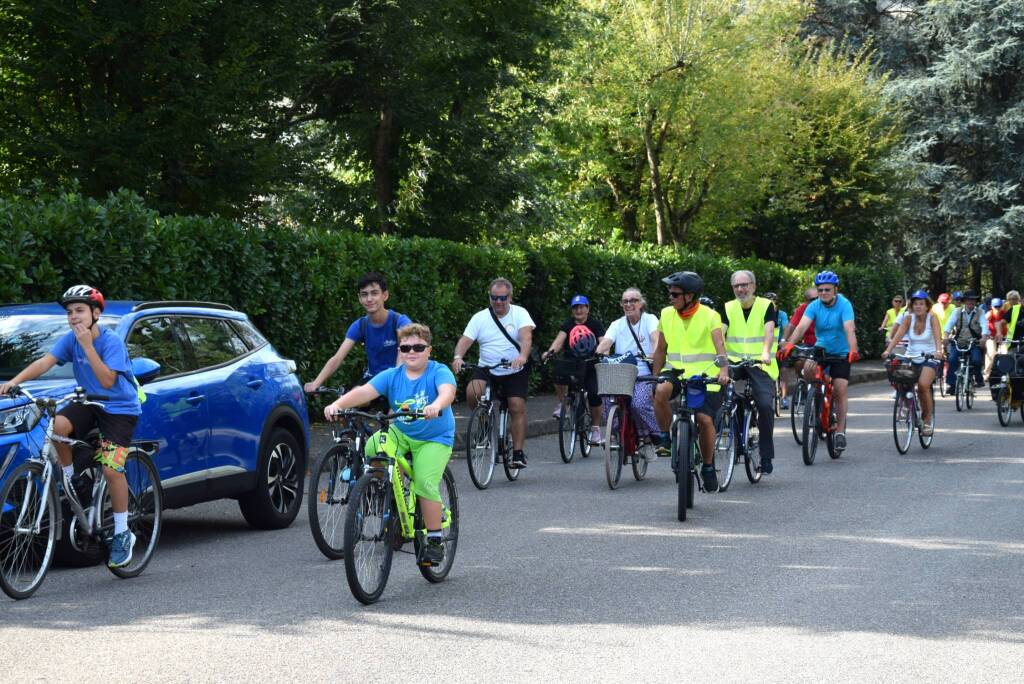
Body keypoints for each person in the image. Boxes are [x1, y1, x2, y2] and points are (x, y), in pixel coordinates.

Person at [0, 286, 142, 568]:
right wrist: (14, 382)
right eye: (69, 312)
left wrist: (88, 346)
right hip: (89, 402)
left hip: (119, 408)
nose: (73, 316)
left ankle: (122, 533)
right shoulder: (70, 340)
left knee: (111, 469)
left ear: (95, 314)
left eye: (79, 311)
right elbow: (45, 362)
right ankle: (72, 479)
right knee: (56, 427)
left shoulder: (111, 342)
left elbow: (107, 381)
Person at [324, 323, 455, 567]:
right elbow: (364, 392)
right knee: (373, 446)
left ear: (429, 350)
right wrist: (338, 404)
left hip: (434, 438)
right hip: (401, 432)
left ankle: (434, 540)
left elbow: (447, 392)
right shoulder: (392, 375)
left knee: (425, 482)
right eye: (405, 348)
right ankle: (386, 492)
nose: (411, 352)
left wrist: (436, 405)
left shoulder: (439, 371)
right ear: (399, 351)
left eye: (418, 347)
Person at [650, 271, 730, 493]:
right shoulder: (666, 314)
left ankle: (708, 467)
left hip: (705, 375)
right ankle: (665, 438)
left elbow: (720, 346)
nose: (671, 297)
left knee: (704, 419)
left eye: (675, 294)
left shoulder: (710, 315)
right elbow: (661, 349)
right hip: (676, 371)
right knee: (660, 391)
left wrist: (723, 370)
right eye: (670, 293)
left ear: (690, 296)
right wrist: (655, 377)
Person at [452, 278, 535, 469]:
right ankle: (484, 422)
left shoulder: (520, 313)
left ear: (510, 297)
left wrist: (522, 356)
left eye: (503, 298)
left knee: (516, 406)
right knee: (472, 392)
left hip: (514, 369)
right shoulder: (480, 317)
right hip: (487, 368)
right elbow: (465, 340)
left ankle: (518, 452)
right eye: (494, 298)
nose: (498, 302)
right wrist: (458, 357)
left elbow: (526, 337)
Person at [778, 271, 860, 452]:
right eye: (820, 290)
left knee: (840, 389)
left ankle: (840, 432)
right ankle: (815, 401)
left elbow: (849, 329)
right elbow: (801, 327)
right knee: (808, 369)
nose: (823, 293)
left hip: (841, 353)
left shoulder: (844, 304)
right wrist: (789, 345)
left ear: (835, 290)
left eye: (827, 289)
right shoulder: (814, 306)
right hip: (820, 349)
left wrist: (853, 350)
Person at [304, 272, 412, 393]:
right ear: (360, 298)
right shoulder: (360, 326)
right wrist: (316, 383)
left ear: (385, 295)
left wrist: (395, 382)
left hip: (399, 378)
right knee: (354, 396)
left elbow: (405, 352)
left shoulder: (400, 321)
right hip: (373, 379)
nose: (369, 299)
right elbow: (337, 358)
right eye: (364, 294)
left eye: (374, 293)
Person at [722, 271, 778, 474]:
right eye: (736, 286)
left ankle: (766, 455)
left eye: (744, 285)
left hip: (760, 363)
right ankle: (736, 439)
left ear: (753, 286)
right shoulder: (727, 307)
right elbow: (720, 333)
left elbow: (769, 331)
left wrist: (765, 352)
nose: (741, 289)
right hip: (734, 362)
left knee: (765, 405)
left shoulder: (766, 305)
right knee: (726, 396)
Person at [595, 287, 661, 456]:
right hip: (621, 373)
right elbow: (606, 342)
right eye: (625, 301)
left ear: (641, 303)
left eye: (633, 300)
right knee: (607, 398)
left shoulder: (650, 320)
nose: (629, 304)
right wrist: (599, 353)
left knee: (638, 404)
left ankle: (648, 436)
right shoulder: (617, 324)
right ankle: (615, 433)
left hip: (643, 373)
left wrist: (654, 354)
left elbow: (656, 339)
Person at [542, 295, 606, 445]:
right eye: (575, 307)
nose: (579, 310)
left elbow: (603, 341)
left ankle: (595, 429)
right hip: (572, 364)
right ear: (572, 311)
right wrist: (549, 352)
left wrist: (604, 353)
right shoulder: (568, 324)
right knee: (558, 373)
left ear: (587, 309)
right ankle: (563, 403)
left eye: (582, 307)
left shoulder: (595, 324)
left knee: (594, 394)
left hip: (590, 364)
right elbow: (558, 342)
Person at [882, 290, 944, 435]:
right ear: (911, 306)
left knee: (923, 386)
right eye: (915, 304)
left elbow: (937, 337)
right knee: (900, 380)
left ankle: (927, 421)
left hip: (929, 357)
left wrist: (938, 351)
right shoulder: (908, 318)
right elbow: (898, 336)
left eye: (921, 304)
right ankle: (906, 404)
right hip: (911, 356)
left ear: (927, 306)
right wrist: (888, 350)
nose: (918, 307)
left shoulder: (932, 318)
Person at [943, 289, 984, 390]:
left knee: (977, 360)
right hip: (959, 341)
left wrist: (984, 338)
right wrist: (946, 336)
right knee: (952, 359)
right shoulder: (957, 311)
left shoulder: (980, 312)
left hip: (974, 342)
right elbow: (949, 325)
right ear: (964, 301)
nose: (970, 302)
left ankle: (978, 379)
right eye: (968, 299)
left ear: (976, 301)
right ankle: (952, 385)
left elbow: (985, 327)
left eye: (973, 300)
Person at [765, 292, 790, 409]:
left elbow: (786, 328)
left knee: (784, 370)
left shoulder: (782, 314)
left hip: (779, 345)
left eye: (773, 302)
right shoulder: (760, 314)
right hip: (766, 346)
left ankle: (784, 397)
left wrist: (784, 340)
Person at [983, 297, 1005, 380]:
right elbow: (983, 324)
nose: (998, 308)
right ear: (992, 307)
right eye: (996, 307)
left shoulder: (1004, 313)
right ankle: (986, 374)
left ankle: (1004, 374)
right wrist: (986, 334)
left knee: (1005, 354)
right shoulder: (990, 313)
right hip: (991, 337)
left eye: (999, 306)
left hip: (1002, 337)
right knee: (991, 354)